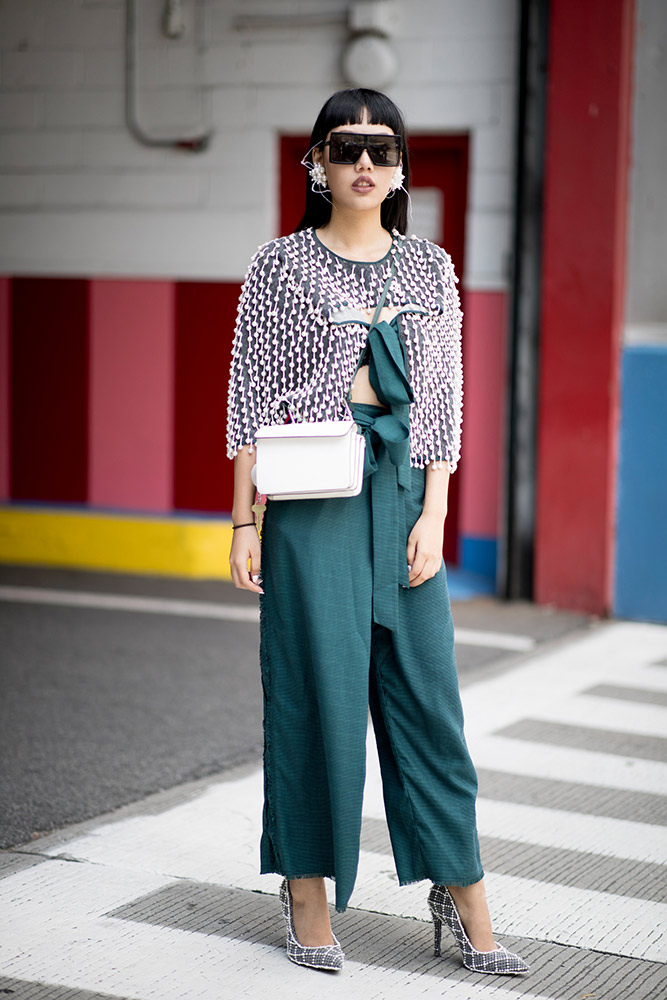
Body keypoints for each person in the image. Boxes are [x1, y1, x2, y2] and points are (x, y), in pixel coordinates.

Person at [226, 88, 528, 978]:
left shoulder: (431, 268)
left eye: (383, 150)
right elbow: (249, 393)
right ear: (315, 162)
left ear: (401, 168)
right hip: (312, 497)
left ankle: (461, 890)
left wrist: (436, 513)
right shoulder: (279, 267)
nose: (365, 164)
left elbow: (443, 401)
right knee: (316, 693)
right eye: (346, 147)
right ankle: (308, 891)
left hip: (401, 497)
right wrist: (243, 517)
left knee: (427, 699)